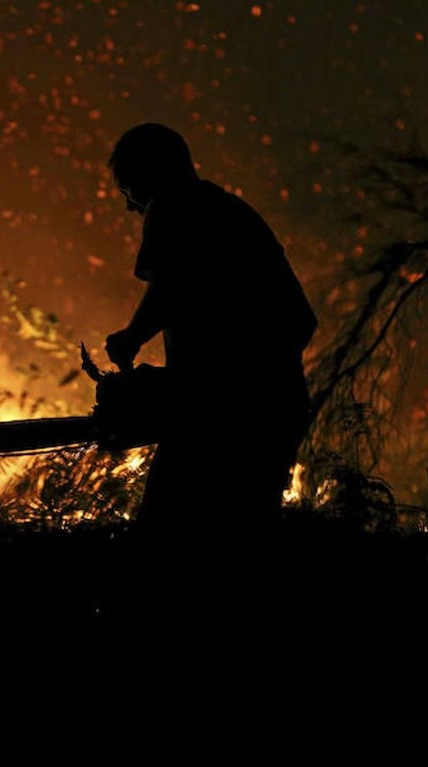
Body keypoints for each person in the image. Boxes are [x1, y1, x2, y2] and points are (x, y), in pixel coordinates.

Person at [100, 122, 317, 546]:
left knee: (169, 533)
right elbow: (293, 322)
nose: (130, 208)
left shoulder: (173, 206)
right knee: (242, 535)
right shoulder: (230, 212)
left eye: (127, 190)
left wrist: (131, 337)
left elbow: (172, 285)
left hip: (228, 416)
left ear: (149, 174)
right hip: (275, 405)